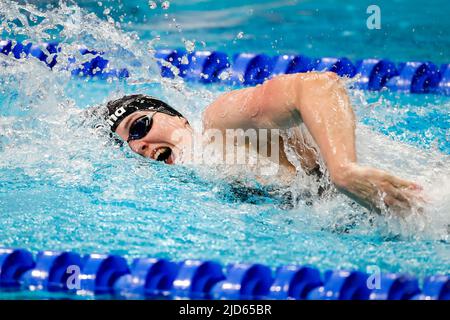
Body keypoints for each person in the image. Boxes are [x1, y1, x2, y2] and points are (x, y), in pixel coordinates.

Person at [97, 71, 423, 214]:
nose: (139, 145)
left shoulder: (219, 123)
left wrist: (344, 170)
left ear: (177, 117)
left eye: (139, 126)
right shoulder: (206, 179)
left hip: (416, 189)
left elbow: (316, 86)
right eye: (130, 144)